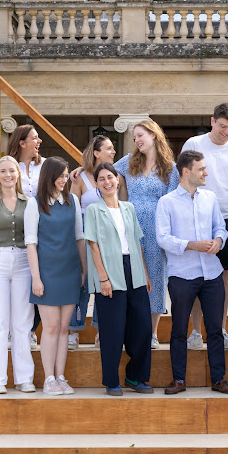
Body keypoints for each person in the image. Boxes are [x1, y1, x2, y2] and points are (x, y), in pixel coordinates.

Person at [156, 150, 228, 395]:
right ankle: (178, 379)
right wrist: (192, 245)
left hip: (212, 273)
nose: (206, 173)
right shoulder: (166, 202)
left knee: (215, 330)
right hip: (182, 275)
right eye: (201, 169)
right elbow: (163, 239)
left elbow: (220, 227)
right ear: (186, 171)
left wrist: (219, 240)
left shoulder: (210, 198)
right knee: (178, 329)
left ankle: (219, 379)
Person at [181, 103, 228, 350]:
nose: (226, 132)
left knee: (222, 278)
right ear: (212, 121)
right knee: (198, 275)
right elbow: (185, 180)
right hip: (199, 218)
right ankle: (196, 333)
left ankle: (220, 330)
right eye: (222, 126)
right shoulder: (194, 144)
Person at [84, 163, 153, 396]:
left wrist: (144, 273)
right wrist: (103, 278)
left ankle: (136, 377)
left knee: (142, 328)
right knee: (113, 330)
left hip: (134, 271)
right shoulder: (94, 210)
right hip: (110, 273)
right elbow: (92, 245)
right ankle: (111, 381)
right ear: (96, 184)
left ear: (118, 180)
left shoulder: (128, 208)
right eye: (101, 179)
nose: (107, 182)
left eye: (110, 177)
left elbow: (137, 241)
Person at [24, 157, 87, 396]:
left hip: (70, 272)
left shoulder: (73, 200)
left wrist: (83, 271)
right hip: (47, 274)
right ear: (49, 176)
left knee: (63, 328)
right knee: (49, 328)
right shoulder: (35, 203)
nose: (63, 180)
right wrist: (36, 278)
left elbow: (79, 237)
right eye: (59, 175)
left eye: (65, 175)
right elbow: (31, 243)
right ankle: (48, 378)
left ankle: (60, 376)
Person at [115, 119, 179, 349]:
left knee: (155, 277)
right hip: (130, 224)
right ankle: (128, 330)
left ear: (154, 135)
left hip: (156, 227)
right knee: (130, 276)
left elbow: (173, 203)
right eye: (134, 138)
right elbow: (104, 172)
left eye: (140, 135)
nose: (137, 140)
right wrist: (82, 170)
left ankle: (151, 333)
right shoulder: (128, 162)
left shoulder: (170, 168)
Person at [0, 156, 35, 394]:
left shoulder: (28, 202)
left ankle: (24, 378)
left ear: (18, 174)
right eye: (3, 171)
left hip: (23, 262)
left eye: (12, 170)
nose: (8, 175)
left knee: (22, 322)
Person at [0, 124, 45, 349]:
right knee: (18, 288)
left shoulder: (44, 165)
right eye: (34, 137)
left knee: (39, 281)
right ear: (21, 142)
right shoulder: (2, 168)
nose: (39, 141)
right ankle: (15, 330)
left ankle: (31, 328)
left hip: (41, 233)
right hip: (12, 236)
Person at [68, 135, 116, 350]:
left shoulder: (115, 175)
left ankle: (101, 330)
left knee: (103, 284)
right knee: (83, 284)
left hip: (107, 236)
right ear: (96, 152)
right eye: (109, 148)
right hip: (85, 236)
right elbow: (72, 209)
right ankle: (74, 331)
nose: (113, 152)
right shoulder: (80, 178)